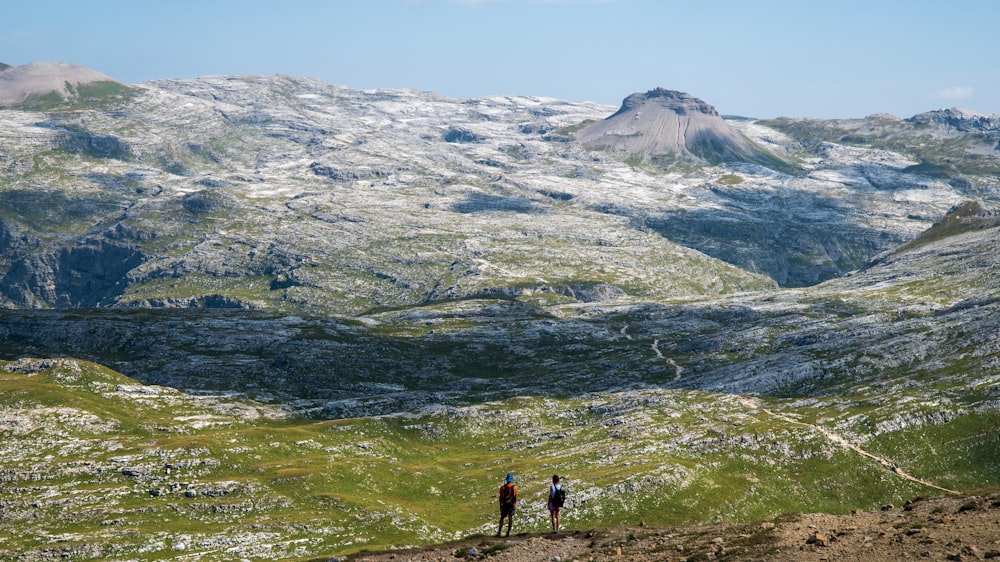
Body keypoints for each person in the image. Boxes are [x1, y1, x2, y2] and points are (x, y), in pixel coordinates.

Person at [496, 472, 518, 537]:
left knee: (502, 518)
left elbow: (501, 497)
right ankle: (508, 533)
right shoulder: (515, 488)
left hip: (505, 505)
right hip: (511, 505)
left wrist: (501, 505)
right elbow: (515, 497)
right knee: (510, 518)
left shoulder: (502, 488)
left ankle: (499, 532)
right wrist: (514, 504)